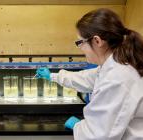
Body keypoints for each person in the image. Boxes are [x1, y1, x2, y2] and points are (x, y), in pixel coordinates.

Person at [36, 8, 143, 140]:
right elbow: (86, 78)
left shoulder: (118, 77)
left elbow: (97, 136)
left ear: (97, 41)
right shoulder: (115, 64)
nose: (80, 49)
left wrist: (78, 126)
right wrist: (53, 76)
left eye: (80, 42)